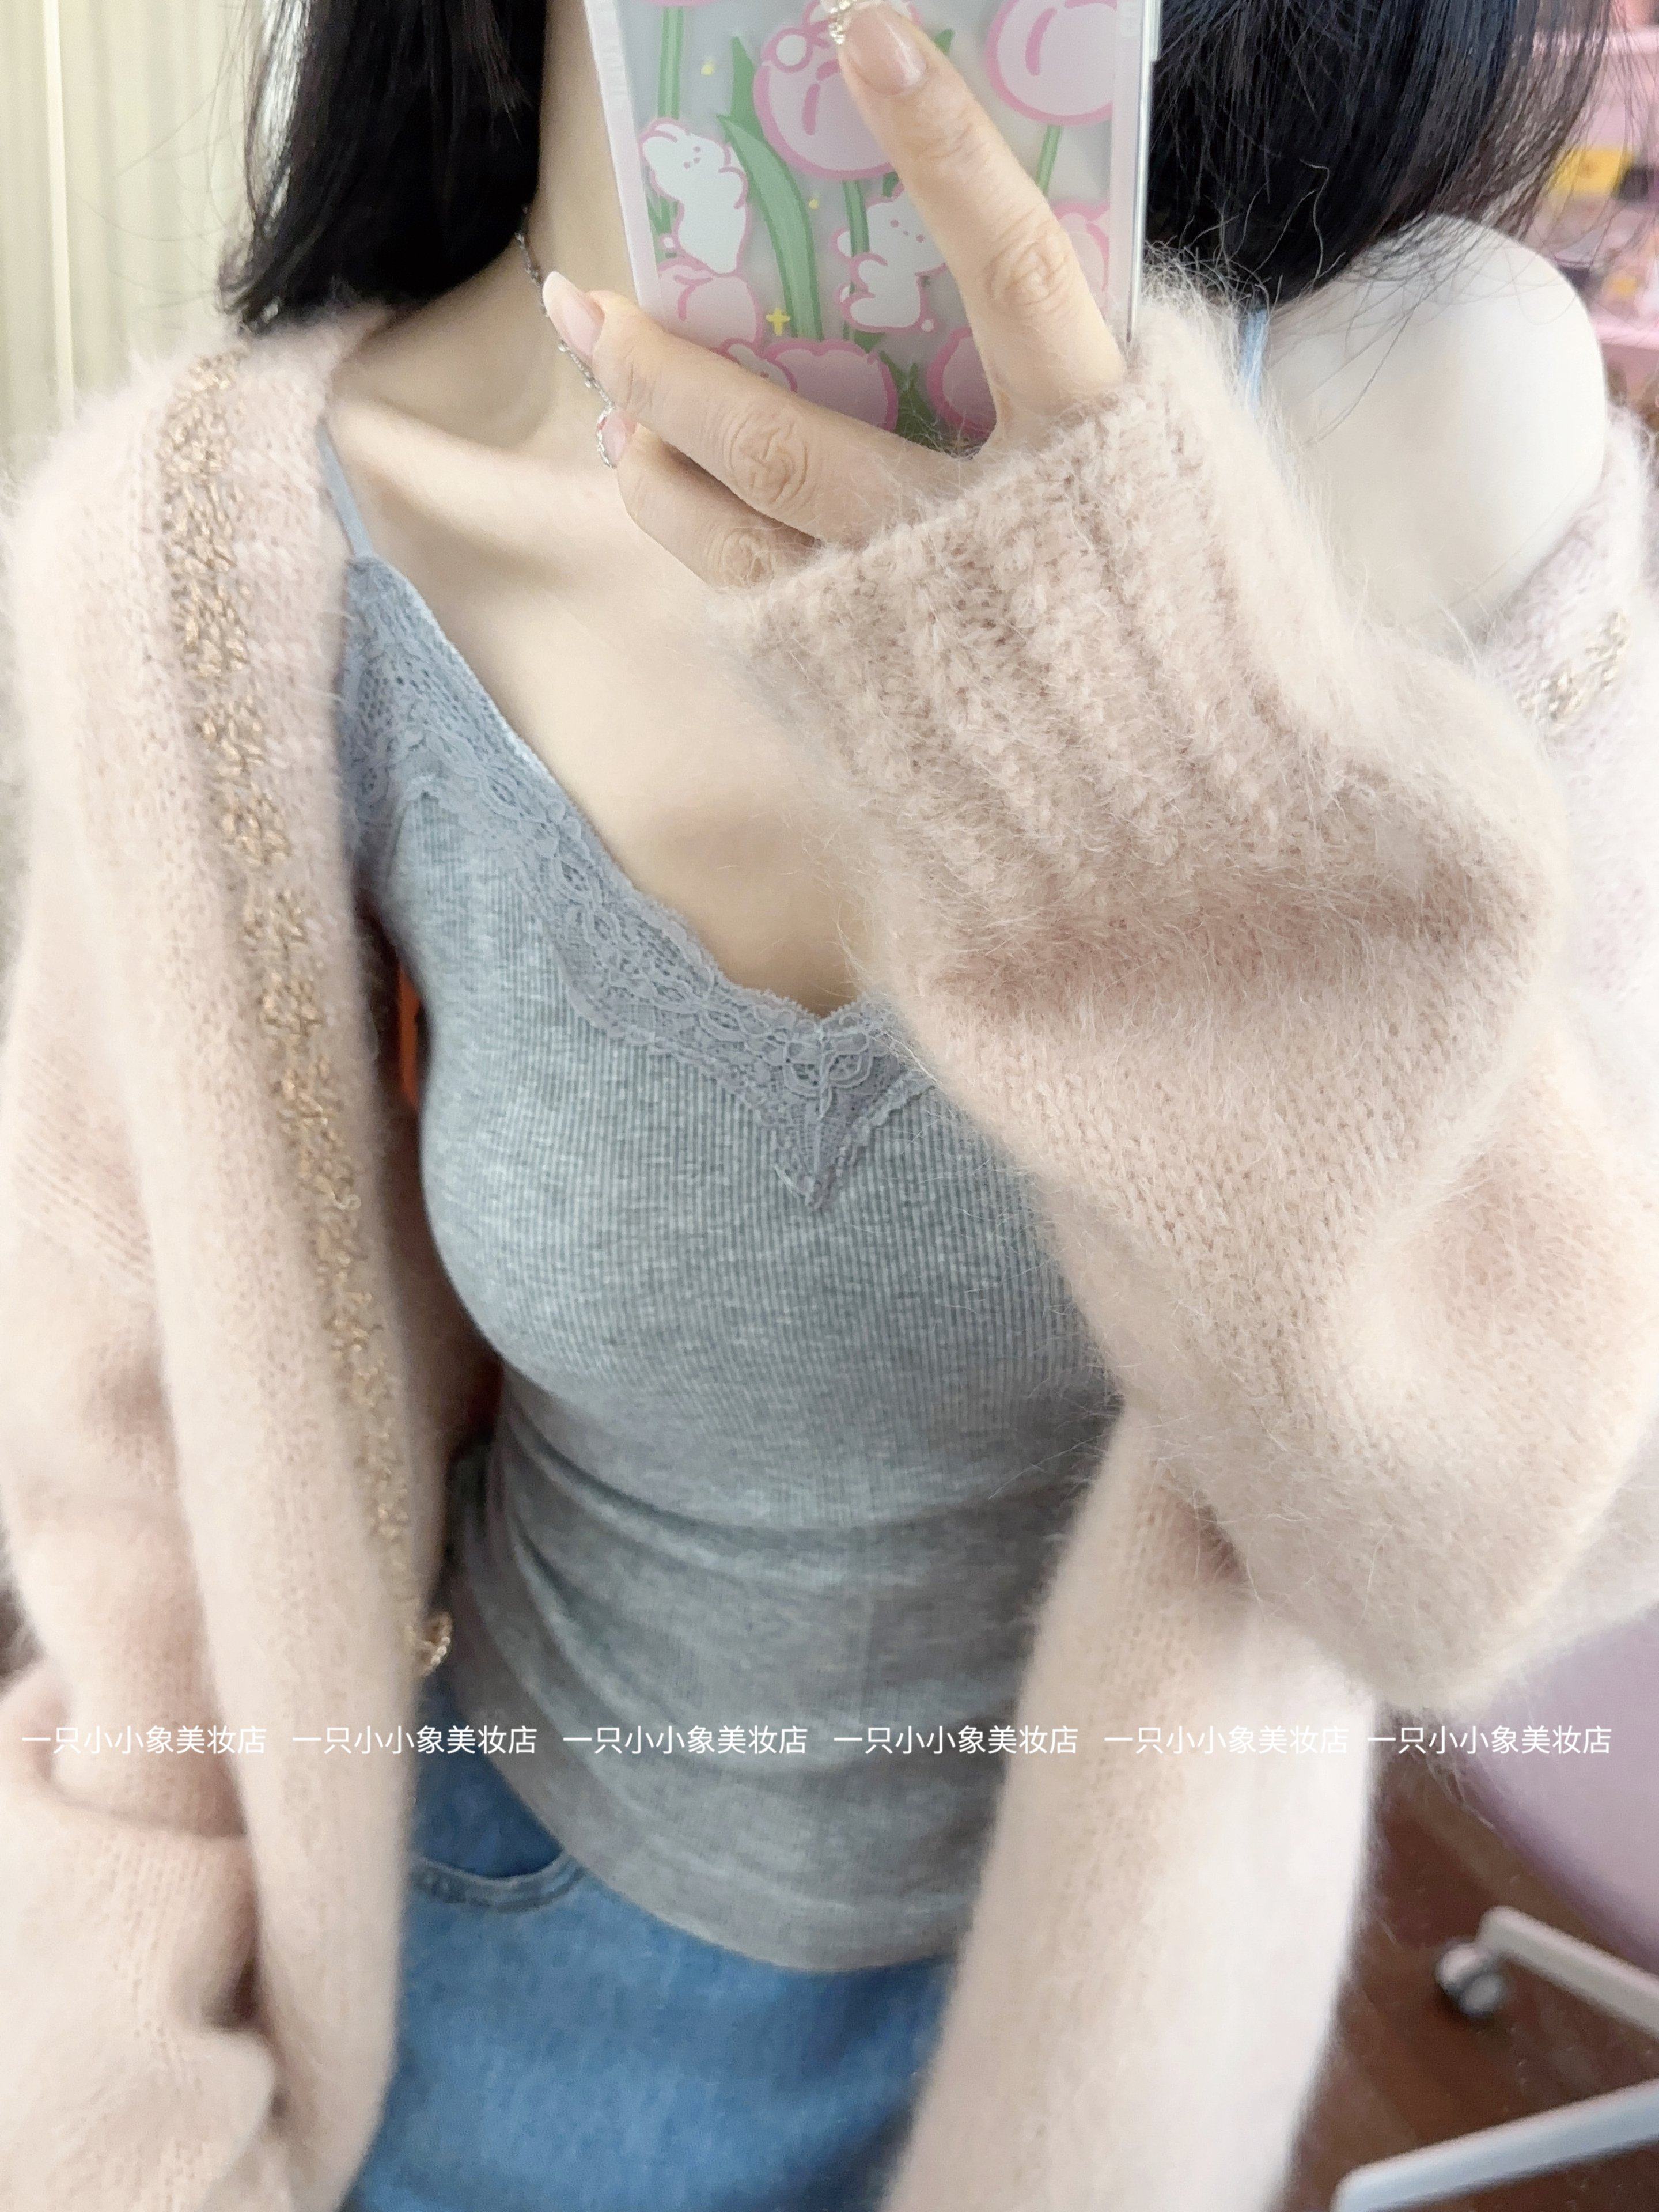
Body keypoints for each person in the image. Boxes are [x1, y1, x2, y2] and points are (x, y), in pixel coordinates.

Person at [3, 0, 1659, 2207]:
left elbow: (1507, 1547)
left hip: (1126, 2047)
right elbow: (134, 1519)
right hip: (491, 1985)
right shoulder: (235, 552)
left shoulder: (1433, 426)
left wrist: (1169, 767)